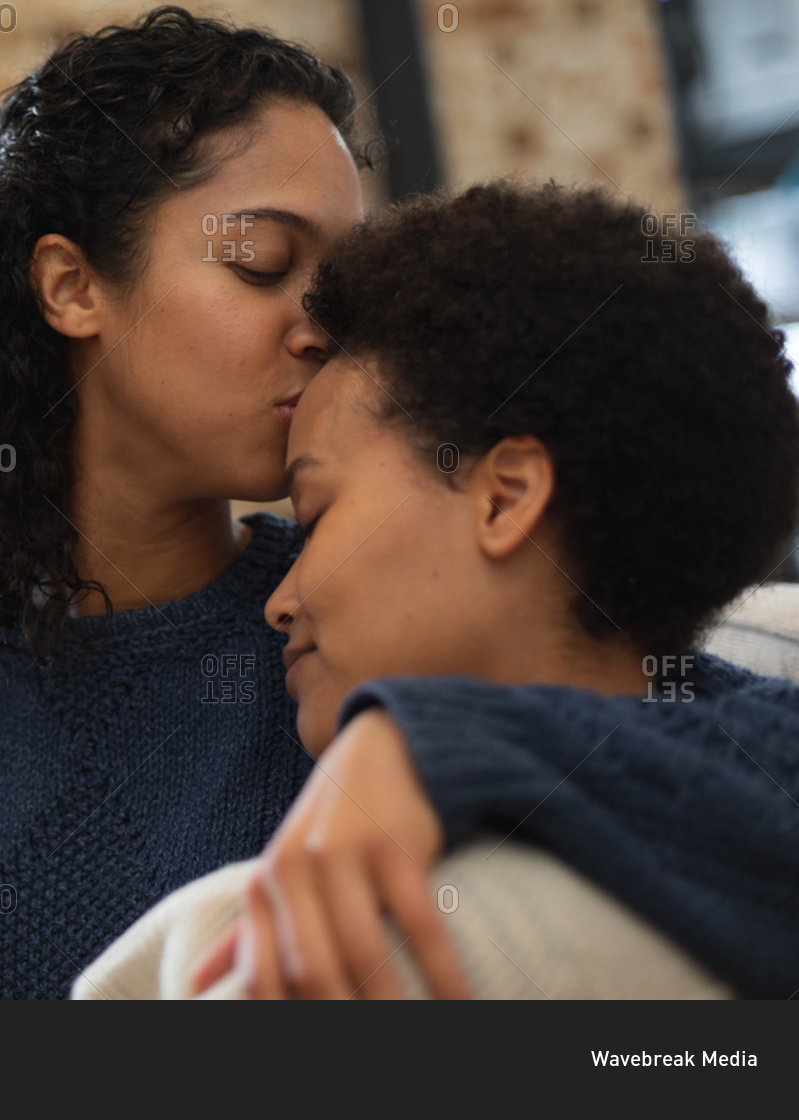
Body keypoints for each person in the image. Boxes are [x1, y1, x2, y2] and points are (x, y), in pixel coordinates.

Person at [0, 10, 798, 1000]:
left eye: (342, 279)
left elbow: (763, 751)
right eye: (264, 261)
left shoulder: (359, 629)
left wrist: (425, 743)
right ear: (73, 287)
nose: (322, 323)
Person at [76, 182, 799, 1000]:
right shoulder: (744, 798)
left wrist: (432, 735)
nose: (278, 600)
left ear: (504, 497)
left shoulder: (278, 951)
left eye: (314, 517)